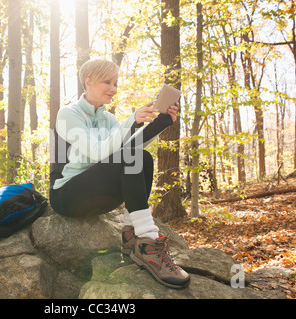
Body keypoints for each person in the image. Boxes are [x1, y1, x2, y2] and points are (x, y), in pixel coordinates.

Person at [49, 59, 190, 289]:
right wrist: (132, 121)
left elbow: (130, 150)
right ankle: (149, 243)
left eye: (115, 83)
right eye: (108, 82)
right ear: (88, 81)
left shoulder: (109, 119)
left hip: (95, 194)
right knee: (130, 156)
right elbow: (96, 152)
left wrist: (162, 122)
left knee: (142, 158)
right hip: (66, 195)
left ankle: (132, 236)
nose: (114, 89)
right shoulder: (68, 114)